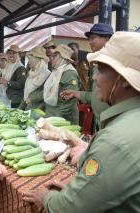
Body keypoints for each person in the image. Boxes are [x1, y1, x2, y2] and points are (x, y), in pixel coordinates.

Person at [23, 31, 140, 213]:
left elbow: (74, 207)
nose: (94, 78)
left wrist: (46, 199)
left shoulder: (114, 141)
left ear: (123, 80)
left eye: (100, 70)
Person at [61, 23, 113, 130]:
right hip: (100, 122)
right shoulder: (96, 64)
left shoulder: (116, 64)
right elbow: (95, 95)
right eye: (89, 39)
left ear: (107, 38)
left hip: (114, 123)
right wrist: (75, 93)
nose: (89, 42)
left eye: (93, 38)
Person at [44, 44, 80, 124]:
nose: (51, 58)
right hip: (54, 116)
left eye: (55, 56)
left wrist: (54, 118)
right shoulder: (56, 72)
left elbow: (69, 102)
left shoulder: (69, 74)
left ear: (63, 58)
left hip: (65, 120)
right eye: (52, 56)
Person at [19, 46, 50, 110]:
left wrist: (33, 99)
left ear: (36, 60)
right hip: (28, 107)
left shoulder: (47, 74)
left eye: (30, 59)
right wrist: (19, 109)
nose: (28, 62)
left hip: (39, 111)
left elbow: (47, 92)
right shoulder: (30, 73)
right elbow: (26, 95)